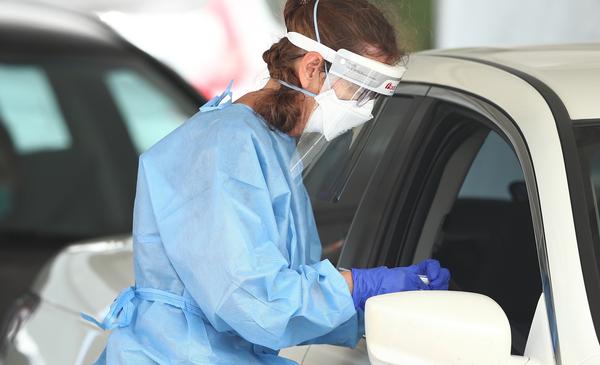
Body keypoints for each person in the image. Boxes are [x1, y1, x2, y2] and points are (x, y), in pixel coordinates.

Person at [82, 0, 450, 363]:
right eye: (361, 89)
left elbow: (285, 295)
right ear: (313, 68)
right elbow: (251, 299)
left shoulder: (270, 147)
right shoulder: (225, 148)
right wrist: (360, 286)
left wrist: (370, 303)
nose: (365, 108)